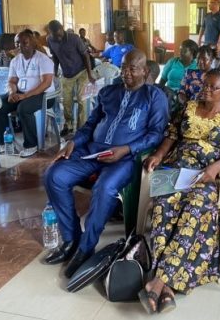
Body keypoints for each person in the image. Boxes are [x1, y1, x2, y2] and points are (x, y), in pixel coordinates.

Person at [43, 50, 169, 278]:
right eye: (123, 68)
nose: (126, 73)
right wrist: (74, 141)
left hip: (126, 158)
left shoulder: (153, 96)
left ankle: (85, 248)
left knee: (105, 187)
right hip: (93, 151)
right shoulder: (108, 92)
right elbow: (90, 125)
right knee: (54, 175)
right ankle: (71, 239)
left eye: (132, 68)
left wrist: (127, 149)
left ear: (145, 71)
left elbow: (156, 134)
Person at [140, 70, 220, 312]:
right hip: (176, 169)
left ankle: (158, 281)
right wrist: (158, 154)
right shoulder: (189, 106)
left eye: (213, 87)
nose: (206, 90)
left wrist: (215, 167)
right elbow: (172, 135)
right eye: (204, 85)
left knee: (197, 207)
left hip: (206, 175)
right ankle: (167, 287)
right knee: (164, 206)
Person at [0, 30, 55, 158]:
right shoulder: (15, 61)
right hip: (21, 93)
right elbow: (12, 81)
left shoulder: (43, 59)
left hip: (44, 95)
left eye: (24, 42)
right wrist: (12, 92)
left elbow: (46, 84)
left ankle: (31, 145)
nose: (20, 46)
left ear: (32, 43)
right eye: (17, 43)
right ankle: (3, 143)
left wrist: (24, 96)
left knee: (23, 108)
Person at [47, 20, 95, 135]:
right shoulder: (49, 40)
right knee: (66, 102)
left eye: (58, 35)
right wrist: (54, 72)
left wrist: (89, 74)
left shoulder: (74, 39)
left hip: (82, 71)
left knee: (81, 99)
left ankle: (81, 128)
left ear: (62, 28)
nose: (57, 38)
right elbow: (55, 57)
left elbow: (86, 55)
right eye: (54, 36)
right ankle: (68, 125)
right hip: (67, 74)